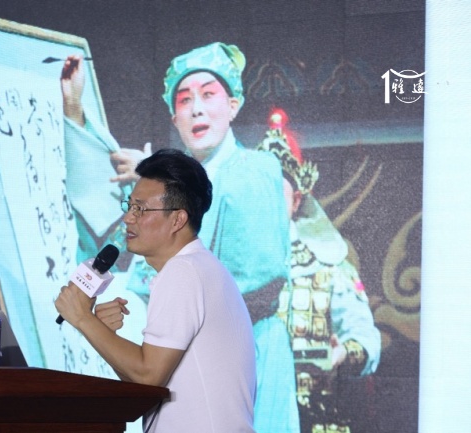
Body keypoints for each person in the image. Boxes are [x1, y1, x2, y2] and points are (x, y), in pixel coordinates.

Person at [61, 42, 299, 433]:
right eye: (185, 100)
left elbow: (247, 274)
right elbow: (106, 233)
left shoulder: (257, 170)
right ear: (174, 117)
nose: (197, 109)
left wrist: (160, 180)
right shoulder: (160, 191)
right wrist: (74, 107)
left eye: (208, 95)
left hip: (249, 349)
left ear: (234, 105)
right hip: (179, 357)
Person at [55, 149, 256, 433]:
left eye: (140, 209)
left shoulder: (183, 271)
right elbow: (144, 386)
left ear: (177, 220)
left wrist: (82, 318)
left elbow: (148, 377)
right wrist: (102, 333)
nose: (128, 218)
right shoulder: (198, 267)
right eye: (129, 206)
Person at [257, 111, 382, 433]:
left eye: (276, 192)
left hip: (314, 420)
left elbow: (365, 338)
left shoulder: (329, 267)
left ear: (296, 200)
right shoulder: (226, 264)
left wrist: (343, 354)